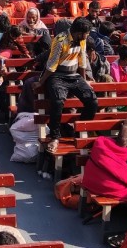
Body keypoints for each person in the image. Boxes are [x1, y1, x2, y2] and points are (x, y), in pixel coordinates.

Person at [32, 17, 98, 153]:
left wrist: (84, 80)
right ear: (79, 32)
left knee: (92, 101)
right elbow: (51, 65)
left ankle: (79, 130)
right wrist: (41, 82)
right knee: (57, 102)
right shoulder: (60, 40)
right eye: (85, 33)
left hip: (74, 75)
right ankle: (54, 136)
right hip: (57, 75)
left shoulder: (82, 40)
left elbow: (82, 60)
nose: (87, 36)